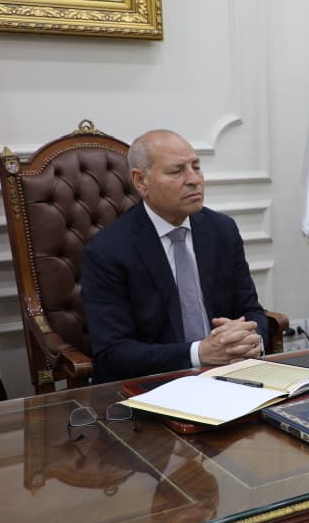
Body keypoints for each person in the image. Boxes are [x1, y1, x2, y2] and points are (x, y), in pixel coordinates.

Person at [82, 129, 269, 383]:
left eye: (196, 167)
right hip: (155, 385)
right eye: (176, 171)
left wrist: (251, 340)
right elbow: (113, 353)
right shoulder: (107, 251)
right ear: (141, 181)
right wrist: (198, 353)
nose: (194, 179)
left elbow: (250, 310)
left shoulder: (222, 230)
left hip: (231, 376)